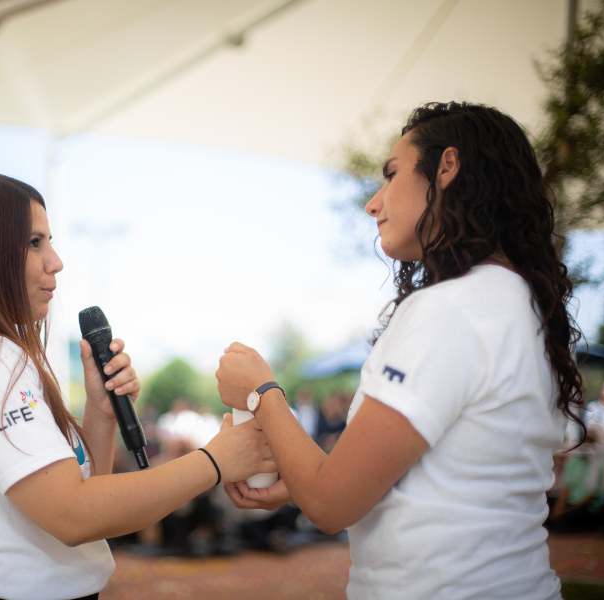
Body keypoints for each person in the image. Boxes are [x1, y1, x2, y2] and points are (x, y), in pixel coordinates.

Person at [216, 102, 584, 599]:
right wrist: (305, 477)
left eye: (391, 175)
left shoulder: (451, 309)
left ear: (447, 168)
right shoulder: (521, 303)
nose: (373, 202)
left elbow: (329, 504)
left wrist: (262, 392)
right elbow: (451, 477)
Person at [0, 173, 273, 600]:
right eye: (34, 243)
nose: (56, 260)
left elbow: (85, 499)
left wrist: (100, 416)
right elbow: (73, 516)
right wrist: (214, 461)